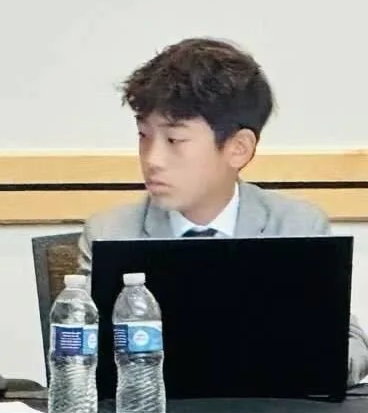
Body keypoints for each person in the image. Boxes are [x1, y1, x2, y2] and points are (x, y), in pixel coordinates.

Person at [79, 37, 368, 385]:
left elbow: (348, 344)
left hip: (269, 411)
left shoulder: (295, 225)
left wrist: (321, 365)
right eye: (144, 136)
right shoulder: (110, 233)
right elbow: (82, 356)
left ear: (238, 149)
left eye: (174, 140)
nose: (152, 159)